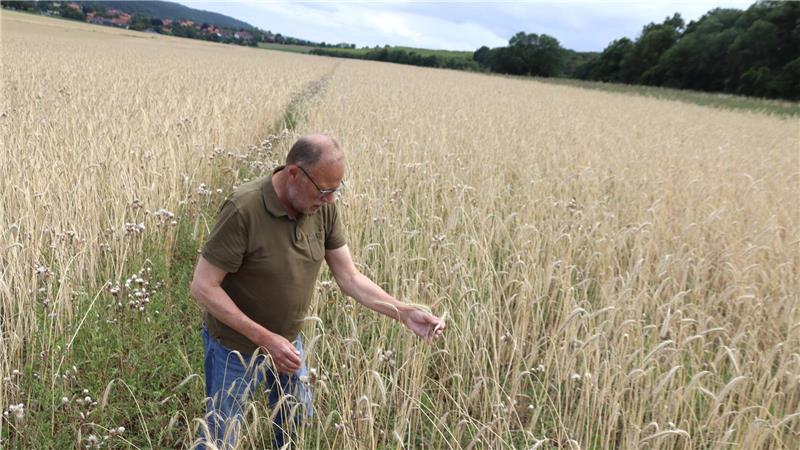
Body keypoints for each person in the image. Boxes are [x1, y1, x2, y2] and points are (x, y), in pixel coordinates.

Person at [190, 133, 445, 449]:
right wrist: (265, 339)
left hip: (289, 345)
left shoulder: (321, 208)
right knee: (220, 436)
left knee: (296, 425)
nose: (331, 200)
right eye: (324, 190)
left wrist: (403, 312)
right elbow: (203, 286)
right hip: (234, 347)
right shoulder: (244, 209)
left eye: (336, 190)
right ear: (294, 174)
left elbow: (349, 277)